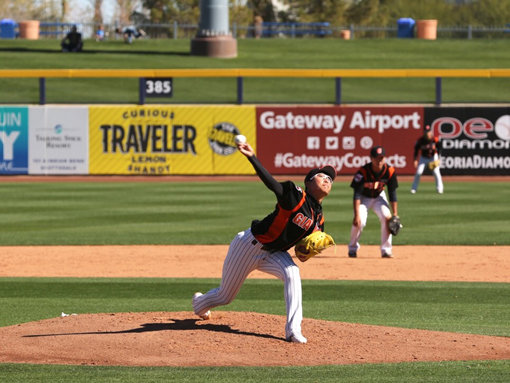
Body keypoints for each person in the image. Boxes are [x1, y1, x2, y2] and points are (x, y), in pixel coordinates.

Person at [192, 139, 336, 344]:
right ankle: (199, 303)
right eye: (322, 176)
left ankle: (293, 330)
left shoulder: (319, 220)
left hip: (274, 254)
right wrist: (252, 157)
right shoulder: (295, 196)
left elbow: (302, 254)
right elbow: (272, 184)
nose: (327, 180)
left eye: (330, 179)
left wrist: (306, 253)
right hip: (249, 245)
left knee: (293, 273)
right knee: (225, 297)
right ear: (309, 181)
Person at [348, 146, 399, 258]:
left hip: (379, 196)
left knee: (387, 217)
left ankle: (386, 250)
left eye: (381, 158)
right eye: (376, 158)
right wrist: (356, 215)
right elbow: (356, 195)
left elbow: (392, 194)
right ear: (371, 158)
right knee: (360, 221)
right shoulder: (363, 172)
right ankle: (352, 248)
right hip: (363, 198)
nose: (379, 160)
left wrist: (395, 214)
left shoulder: (390, 171)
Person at [411, 125, 444, 194]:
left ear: (430, 132)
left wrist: (438, 157)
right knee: (418, 172)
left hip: (433, 157)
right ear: (424, 132)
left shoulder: (435, 139)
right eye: (426, 132)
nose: (427, 133)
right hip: (423, 158)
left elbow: (440, 147)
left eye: (428, 132)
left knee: (436, 172)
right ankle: (414, 189)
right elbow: (416, 150)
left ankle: (440, 189)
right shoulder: (420, 140)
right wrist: (415, 160)